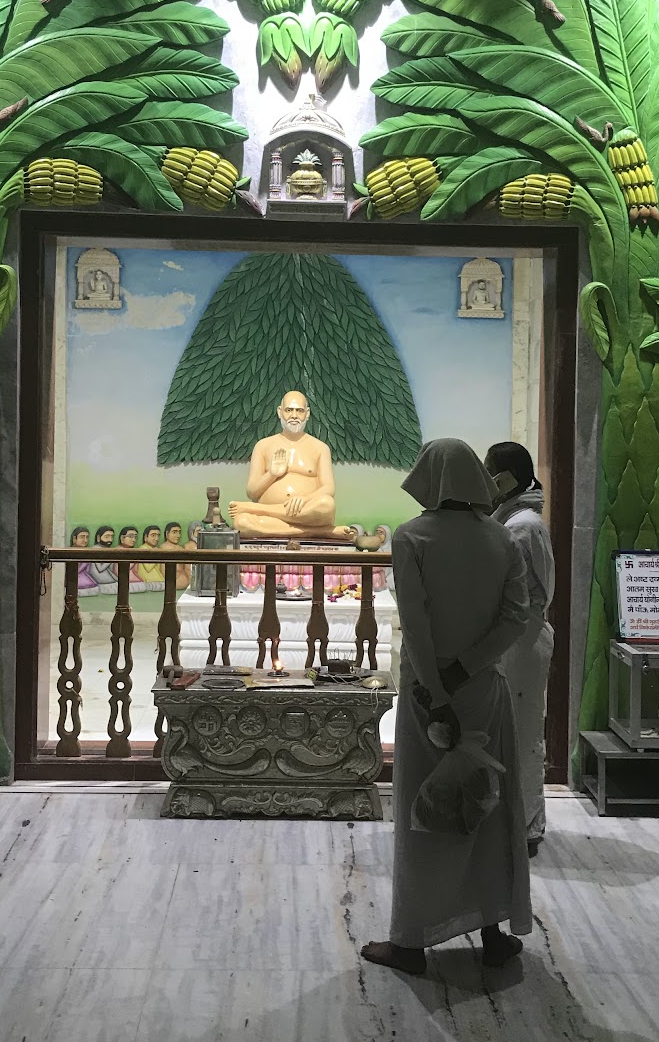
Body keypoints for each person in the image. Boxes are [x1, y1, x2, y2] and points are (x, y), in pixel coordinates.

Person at [361, 438, 534, 977]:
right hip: (482, 689)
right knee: (486, 807)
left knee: (423, 814)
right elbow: (515, 617)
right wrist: (468, 668)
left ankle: (411, 940)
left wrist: (436, 690)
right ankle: (492, 931)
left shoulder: (412, 538)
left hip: (425, 695)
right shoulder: (501, 540)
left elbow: (414, 624)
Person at [485, 441, 555, 856]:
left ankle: (526, 826)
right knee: (509, 732)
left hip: (522, 638)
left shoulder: (523, 526)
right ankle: (515, 820)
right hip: (515, 637)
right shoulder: (514, 520)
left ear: (506, 478)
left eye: (490, 470)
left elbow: (525, 593)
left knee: (524, 735)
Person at [229, 390, 354, 541]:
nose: (294, 415)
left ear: (307, 414)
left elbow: (328, 489)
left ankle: (255, 509)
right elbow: (252, 492)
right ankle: (320, 532)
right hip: (275, 520)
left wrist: (305, 499)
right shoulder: (263, 446)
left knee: (326, 504)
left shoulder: (320, 448)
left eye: (299, 411)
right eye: (289, 410)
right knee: (241, 522)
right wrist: (272, 474)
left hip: (307, 513)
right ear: (279, 412)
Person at [90, 525, 118, 594]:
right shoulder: (95, 549)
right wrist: (112, 558)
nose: (110, 540)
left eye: (112, 536)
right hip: (99, 576)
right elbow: (100, 568)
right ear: (98, 538)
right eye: (107, 537)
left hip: (106, 575)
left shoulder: (108, 550)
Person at [69, 526, 96, 594]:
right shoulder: (70, 552)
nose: (85, 540)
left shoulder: (88, 553)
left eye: (87, 537)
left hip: (85, 577)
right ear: (74, 539)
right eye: (82, 537)